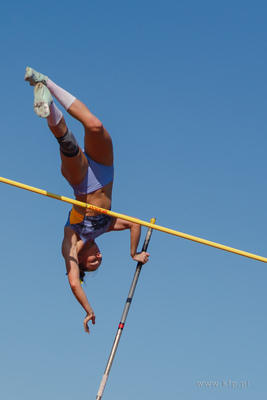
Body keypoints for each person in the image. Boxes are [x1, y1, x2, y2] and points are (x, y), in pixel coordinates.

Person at [24, 67, 150, 333]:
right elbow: (135, 223)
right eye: (101, 259)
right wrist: (133, 253)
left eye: (94, 261)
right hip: (106, 171)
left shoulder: (71, 237)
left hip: (81, 182)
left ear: (80, 262)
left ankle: (46, 102)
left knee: (68, 144)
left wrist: (89, 309)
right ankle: (44, 81)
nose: (99, 256)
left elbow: (73, 283)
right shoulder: (105, 228)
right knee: (95, 125)